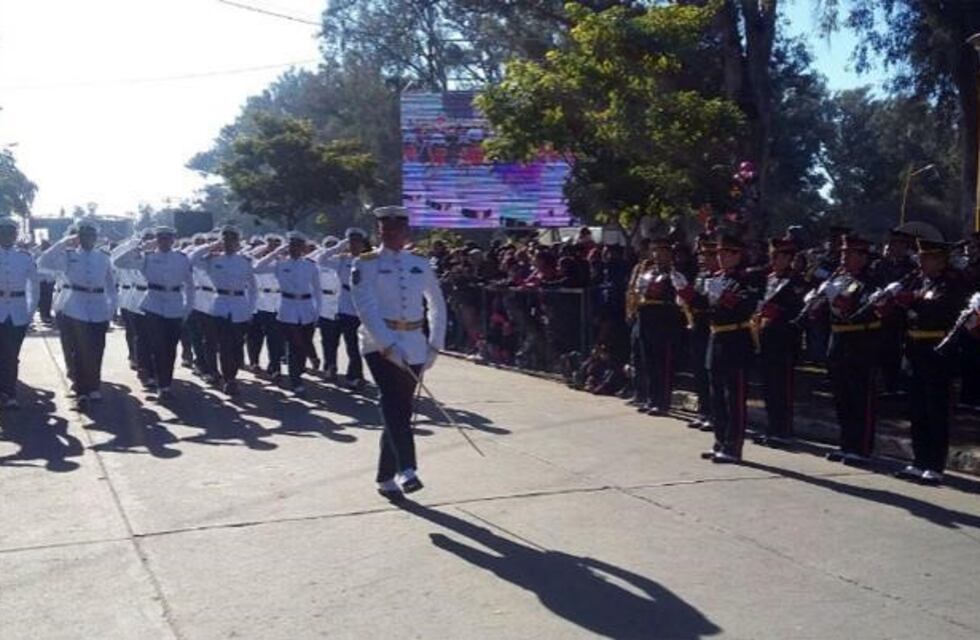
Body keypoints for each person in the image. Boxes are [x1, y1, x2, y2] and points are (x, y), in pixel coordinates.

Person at [351, 205, 446, 499]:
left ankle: (385, 476)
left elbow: (437, 304)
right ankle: (407, 468)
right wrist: (386, 344)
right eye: (386, 230)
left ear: (406, 232)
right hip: (378, 342)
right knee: (392, 398)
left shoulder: (419, 262)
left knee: (401, 408)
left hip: (415, 341)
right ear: (379, 232)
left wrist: (435, 344)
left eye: (398, 230)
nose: (392, 235)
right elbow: (365, 307)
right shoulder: (365, 263)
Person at [878, 239, 967, 485]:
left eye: (927, 258)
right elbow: (905, 313)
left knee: (935, 410)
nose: (921, 262)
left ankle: (935, 465)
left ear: (940, 260)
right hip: (914, 350)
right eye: (920, 257)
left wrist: (912, 300)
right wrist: (890, 303)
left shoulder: (951, 283)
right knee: (916, 409)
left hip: (937, 351)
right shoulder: (917, 280)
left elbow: (941, 309)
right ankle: (919, 461)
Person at [678, 233, 760, 463]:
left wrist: (724, 298)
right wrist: (687, 293)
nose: (721, 257)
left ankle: (733, 446)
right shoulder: (715, 278)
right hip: (716, 337)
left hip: (736, 338)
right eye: (719, 253)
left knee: (734, 396)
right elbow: (703, 306)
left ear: (738, 255)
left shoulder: (746, 279)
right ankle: (720, 441)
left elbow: (747, 306)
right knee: (716, 395)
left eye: (726, 253)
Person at [814, 234, 882, 465]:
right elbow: (828, 312)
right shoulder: (841, 278)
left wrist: (836, 299)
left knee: (859, 396)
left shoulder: (870, 280)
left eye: (849, 253)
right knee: (841, 396)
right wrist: (818, 301)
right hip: (838, 340)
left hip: (860, 341)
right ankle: (845, 444)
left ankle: (860, 448)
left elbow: (860, 308)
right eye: (843, 253)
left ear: (863, 257)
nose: (843, 257)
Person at [38, 219, 117, 407]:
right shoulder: (68, 255)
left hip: (98, 306)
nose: (87, 239)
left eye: (91, 235)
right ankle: (82, 390)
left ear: (96, 238)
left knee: (96, 348)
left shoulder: (103, 257)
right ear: (78, 237)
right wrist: (63, 242)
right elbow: (43, 262)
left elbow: (110, 286)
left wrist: (111, 309)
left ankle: (94, 385)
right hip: (75, 305)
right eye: (83, 235)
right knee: (79, 349)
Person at [111, 226, 194, 399]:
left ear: (173, 240)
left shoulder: (181, 258)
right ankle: (162, 384)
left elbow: (189, 285)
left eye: (168, 239)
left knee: (170, 347)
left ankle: (166, 382)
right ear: (156, 240)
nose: (164, 242)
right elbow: (118, 262)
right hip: (153, 304)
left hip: (174, 305)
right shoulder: (147, 258)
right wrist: (140, 246)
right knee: (157, 345)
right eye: (161, 239)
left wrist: (188, 308)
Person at [188, 226, 257, 397]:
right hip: (220, 305)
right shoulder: (213, 260)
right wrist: (211, 246)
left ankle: (231, 375)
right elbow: (192, 259)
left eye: (232, 240)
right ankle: (229, 380)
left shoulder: (244, 261)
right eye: (225, 240)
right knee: (225, 345)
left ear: (238, 242)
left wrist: (250, 310)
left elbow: (253, 288)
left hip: (240, 305)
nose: (228, 244)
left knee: (237, 346)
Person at [254, 232, 322, 394]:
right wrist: (275, 252)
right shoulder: (280, 264)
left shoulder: (310, 265)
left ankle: (297, 372)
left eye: (298, 246)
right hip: (288, 306)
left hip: (306, 307)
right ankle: (295, 379)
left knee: (303, 343)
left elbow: (317, 291)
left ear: (303, 248)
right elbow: (257, 268)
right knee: (294, 343)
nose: (294, 249)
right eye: (291, 245)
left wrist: (318, 312)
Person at [753, 237, 805, 447]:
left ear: (788, 258)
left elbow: (799, 310)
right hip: (765, 337)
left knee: (783, 387)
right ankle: (772, 427)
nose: (773, 260)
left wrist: (778, 312)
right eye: (771, 256)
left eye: (778, 256)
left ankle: (784, 430)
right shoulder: (769, 278)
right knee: (769, 387)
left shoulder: (797, 282)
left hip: (784, 339)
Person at [628, 237, 682, 415]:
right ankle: (651, 398)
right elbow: (638, 294)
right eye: (655, 251)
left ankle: (663, 402)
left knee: (663, 364)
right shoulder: (647, 273)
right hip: (646, 320)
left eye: (662, 251)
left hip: (664, 322)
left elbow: (677, 298)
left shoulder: (674, 275)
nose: (658, 255)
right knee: (648, 362)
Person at [313, 227, 369, 389]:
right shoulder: (342, 260)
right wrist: (340, 246)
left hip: (357, 306)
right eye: (351, 242)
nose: (354, 245)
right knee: (331, 341)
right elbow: (321, 259)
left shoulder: (369, 261)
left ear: (363, 244)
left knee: (353, 344)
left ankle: (354, 376)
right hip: (340, 306)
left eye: (357, 242)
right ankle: (330, 367)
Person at [676, 233, 718, 431]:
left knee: (711, 373)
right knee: (699, 371)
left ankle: (714, 414)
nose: (702, 259)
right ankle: (704, 410)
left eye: (707, 255)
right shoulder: (700, 275)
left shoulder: (717, 277)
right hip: (698, 324)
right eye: (701, 255)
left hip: (711, 325)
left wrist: (690, 296)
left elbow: (708, 302)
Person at [0, 217, 39, 409]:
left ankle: (9, 392)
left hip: (17, 311)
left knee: (11, 354)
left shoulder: (25, 257)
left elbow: (34, 286)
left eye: (10, 233)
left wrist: (30, 312)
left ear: (15, 235)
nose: (7, 236)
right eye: (3, 233)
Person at [245, 234, 285, 377]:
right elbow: (252, 260)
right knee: (255, 336)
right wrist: (267, 249)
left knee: (275, 337)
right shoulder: (255, 260)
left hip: (277, 302)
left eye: (277, 244)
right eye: (271, 244)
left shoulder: (283, 261)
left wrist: (279, 253)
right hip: (258, 302)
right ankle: (254, 362)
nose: (273, 247)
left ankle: (274, 366)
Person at [309, 236, 343, 381]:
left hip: (341, 303)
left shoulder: (343, 261)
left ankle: (334, 365)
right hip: (324, 303)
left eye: (334, 245)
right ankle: (329, 366)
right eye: (329, 245)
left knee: (336, 340)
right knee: (327, 339)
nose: (332, 248)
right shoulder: (319, 262)